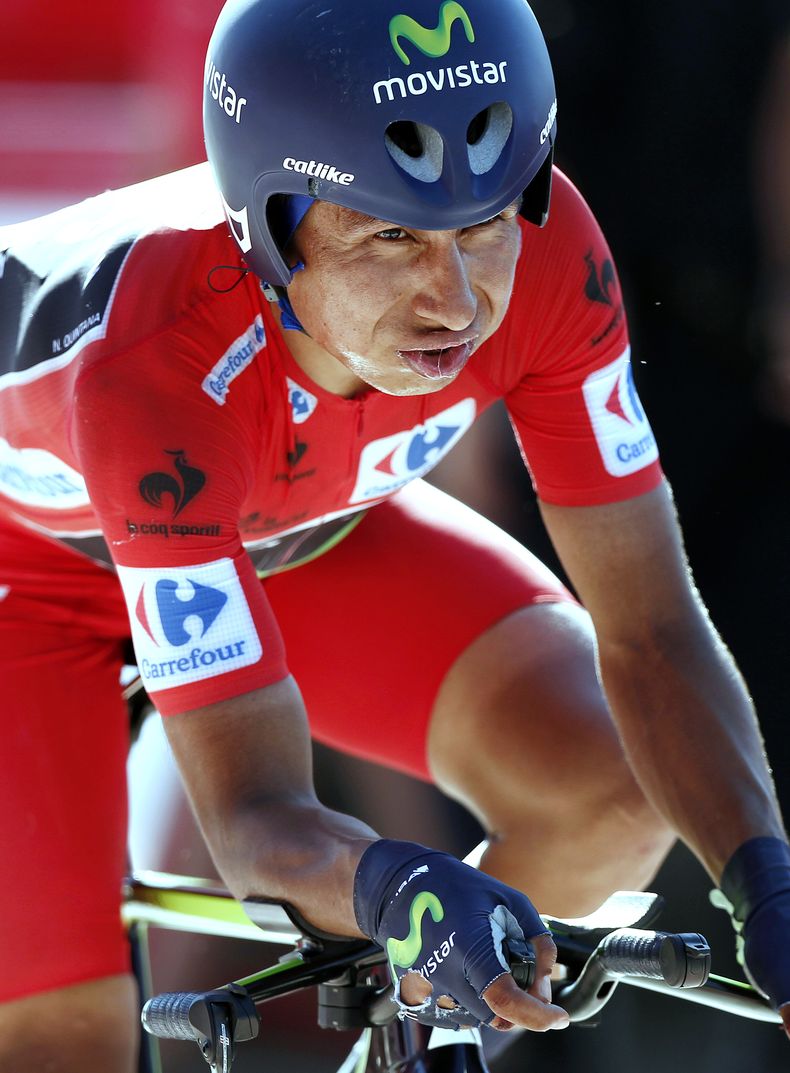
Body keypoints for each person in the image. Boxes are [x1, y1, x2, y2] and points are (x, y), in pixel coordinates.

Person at [1, 0, 789, 1068]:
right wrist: (400, 890)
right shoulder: (160, 359)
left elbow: (651, 629)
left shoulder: (551, 252)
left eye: (483, 225)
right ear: (272, 227)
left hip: (296, 532)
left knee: (608, 783)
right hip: (32, 578)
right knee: (62, 1039)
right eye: (391, 235)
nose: (455, 302)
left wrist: (766, 884)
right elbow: (255, 813)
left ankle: (416, 1039)